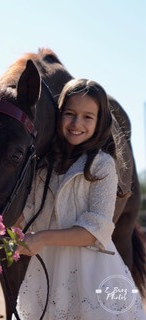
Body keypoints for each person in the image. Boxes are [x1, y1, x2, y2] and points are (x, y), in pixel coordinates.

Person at [12, 79, 146, 320]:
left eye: (87, 117)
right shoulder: (44, 166)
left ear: (100, 122)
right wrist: (2, 227)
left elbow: (96, 231)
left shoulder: (102, 165)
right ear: (59, 115)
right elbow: (30, 212)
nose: (76, 124)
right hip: (48, 269)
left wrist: (42, 238)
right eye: (70, 114)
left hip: (92, 272)